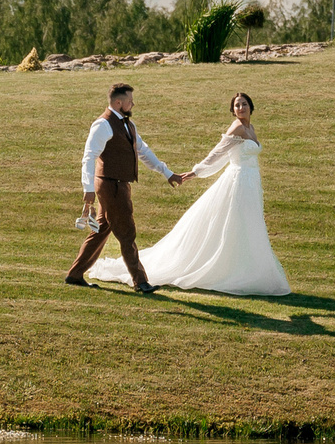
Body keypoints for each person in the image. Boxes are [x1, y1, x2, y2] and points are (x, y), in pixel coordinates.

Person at [91, 92, 290, 296]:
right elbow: (218, 153)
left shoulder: (251, 128)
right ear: (233, 110)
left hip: (251, 183)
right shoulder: (237, 127)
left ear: (251, 107)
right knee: (235, 223)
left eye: (244, 104)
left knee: (249, 224)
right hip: (237, 181)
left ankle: (248, 269)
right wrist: (197, 171)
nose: (241, 108)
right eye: (237, 105)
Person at [67, 83, 182, 294]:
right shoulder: (103, 125)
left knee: (101, 230)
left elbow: (143, 151)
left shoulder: (128, 125)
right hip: (111, 186)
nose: (133, 103)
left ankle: (74, 275)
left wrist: (168, 173)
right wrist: (88, 187)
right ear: (118, 103)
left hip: (120, 185)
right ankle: (140, 281)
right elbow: (89, 157)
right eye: (130, 100)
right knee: (127, 233)